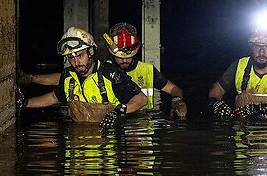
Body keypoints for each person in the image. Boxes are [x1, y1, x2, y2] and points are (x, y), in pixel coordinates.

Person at [19, 23, 187, 119]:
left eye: (128, 56)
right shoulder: (94, 70)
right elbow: (61, 83)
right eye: (119, 56)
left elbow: (160, 93)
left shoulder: (125, 72)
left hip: (139, 122)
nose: (124, 60)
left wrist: (176, 100)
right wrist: (31, 83)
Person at [17, 27, 147, 128]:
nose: (76, 62)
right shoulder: (69, 77)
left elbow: (141, 99)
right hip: (78, 143)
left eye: (80, 56)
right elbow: (53, 97)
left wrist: (119, 111)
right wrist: (25, 103)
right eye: (71, 58)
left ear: (90, 52)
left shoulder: (110, 73)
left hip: (109, 143)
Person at [208, 25, 267, 119]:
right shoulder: (239, 66)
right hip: (244, 129)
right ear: (251, 47)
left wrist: (260, 109)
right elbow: (217, 89)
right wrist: (215, 103)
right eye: (257, 46)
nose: (261, 52)